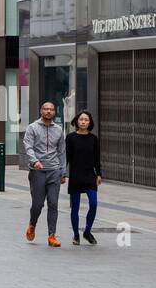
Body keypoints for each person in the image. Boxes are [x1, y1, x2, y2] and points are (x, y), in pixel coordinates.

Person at [24, 100, 66, 247]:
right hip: (38, 170)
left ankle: (52, 235)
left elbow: (61, 152)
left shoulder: (59, 130)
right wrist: (34, 161)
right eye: (46, 109)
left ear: (54, 112)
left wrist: (63, 171)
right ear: (41, 111)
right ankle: (32, 224)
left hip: (54, 170)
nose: (49, 111)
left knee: (53, 204)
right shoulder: (32, 128)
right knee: (37, 204)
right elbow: (28, 146)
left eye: (51, 109)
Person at [65, 110, 102, 245]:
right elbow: (66, 157)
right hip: (75, 176)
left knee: (93, 203)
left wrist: (99, 174)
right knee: (75, 207)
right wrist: (63, 174)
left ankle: (87, 231)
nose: (83, 122)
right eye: (81, 119)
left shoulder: (94, 139)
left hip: (89, 176)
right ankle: (76, 235)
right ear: (76, 121)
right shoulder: (70, 138)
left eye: (86, 120)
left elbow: (97, 158)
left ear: (90, 122)